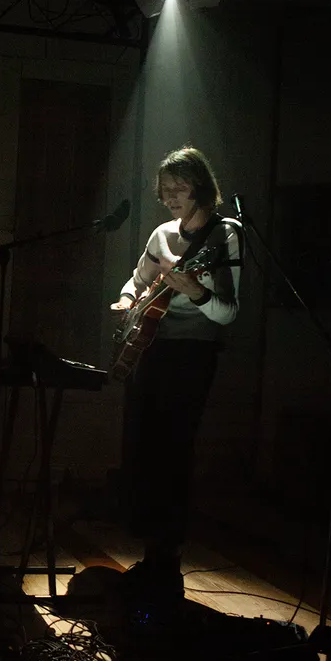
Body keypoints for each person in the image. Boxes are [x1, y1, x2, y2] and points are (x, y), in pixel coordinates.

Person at [110, 146, 242, 608]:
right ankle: (150, 554)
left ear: (201, 188)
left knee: (173, 452)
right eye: (164, 190)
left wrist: (197, 292)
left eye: (179, 188)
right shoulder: (162, 234)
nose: (169, 198)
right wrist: (128, 300)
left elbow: (228, 312)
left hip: (193, 353)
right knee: (143, 448)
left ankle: (168, 559)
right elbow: (137, 279)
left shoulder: (225, 234)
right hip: (151, 348)